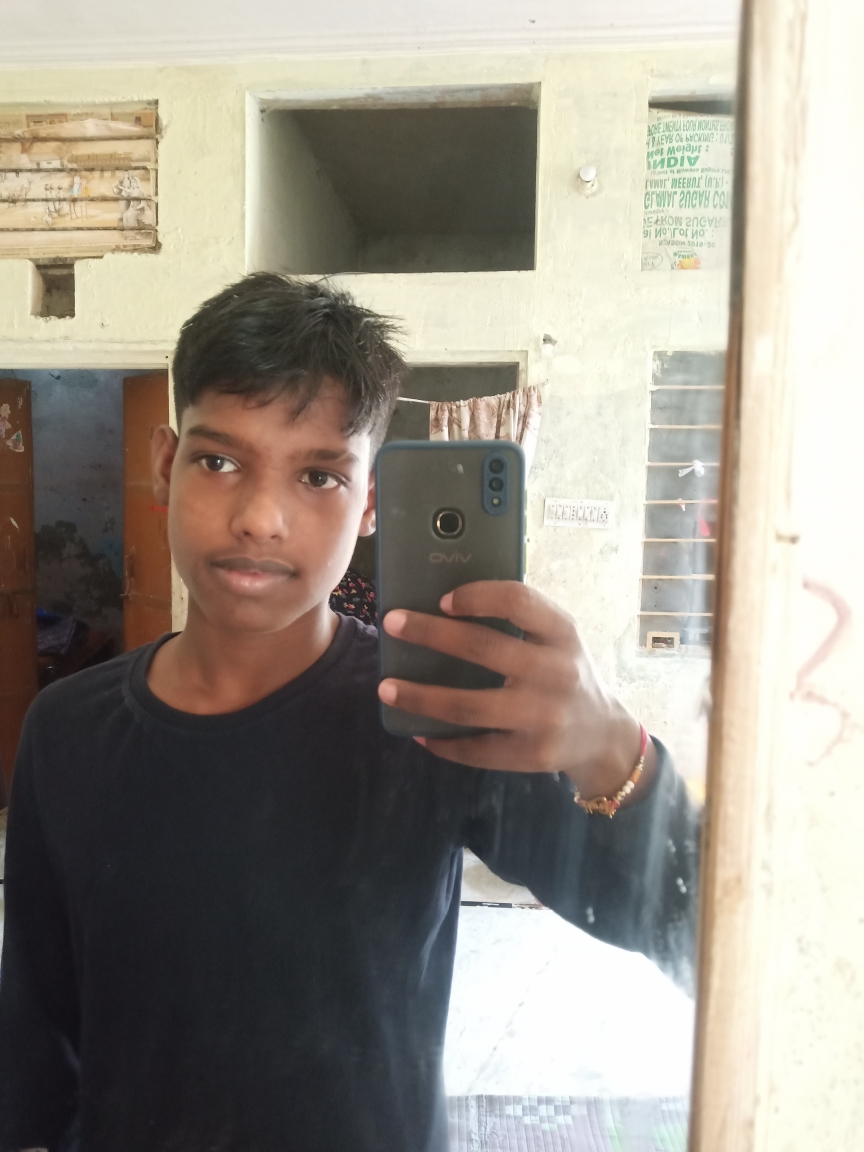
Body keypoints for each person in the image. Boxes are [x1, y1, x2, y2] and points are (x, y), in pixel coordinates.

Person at [0, 275, 699, 1152]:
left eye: (319, 475)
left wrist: (612, 748)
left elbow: (686, 928)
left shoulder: (433, 715)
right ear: (163, 463)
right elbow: (36, 1045)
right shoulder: (67, 731)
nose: (260, 519)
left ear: (369, 504)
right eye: (219, 462)